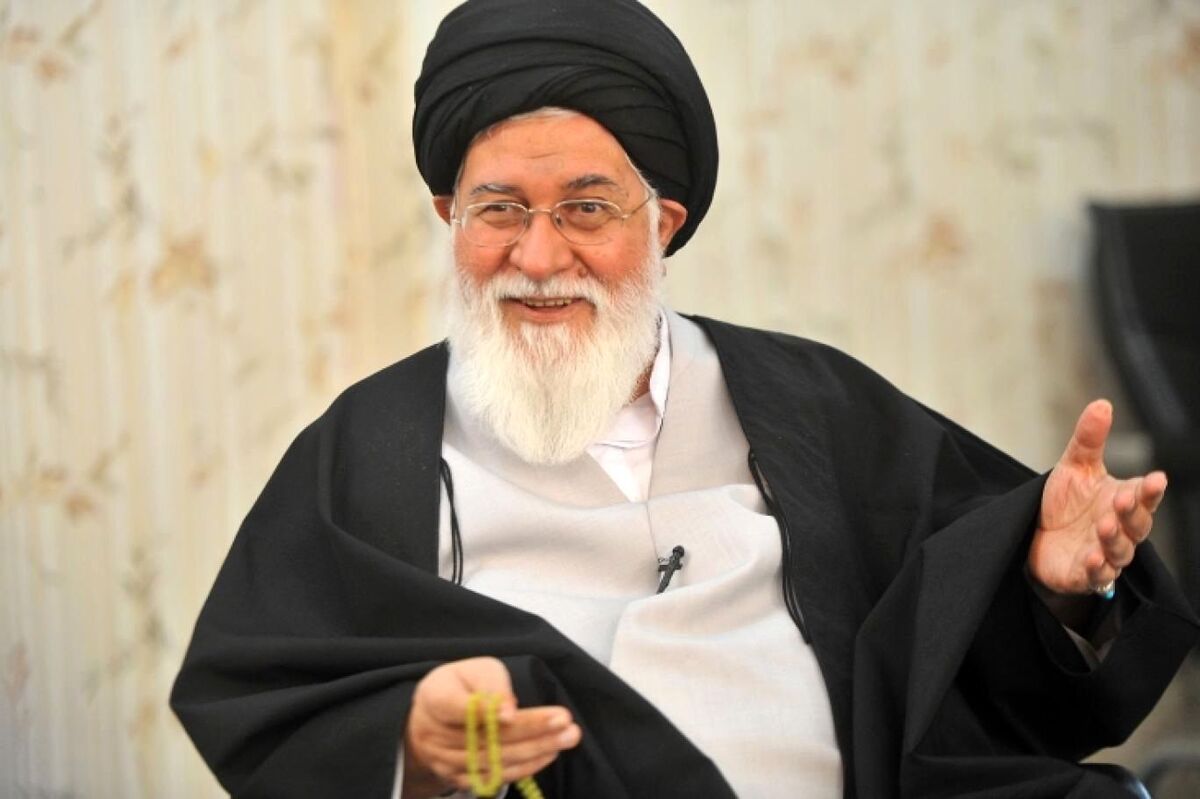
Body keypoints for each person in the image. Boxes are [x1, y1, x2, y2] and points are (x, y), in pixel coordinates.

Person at [170, 1, 1199, 797]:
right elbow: (262, 694)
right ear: (450, 217)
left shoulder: (812, 405)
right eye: (499, 210)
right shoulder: (369, 449)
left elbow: (959, 670)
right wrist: (411, 743)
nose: (538, 257)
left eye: (586, 209)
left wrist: (1059, 588)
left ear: (662, 223)